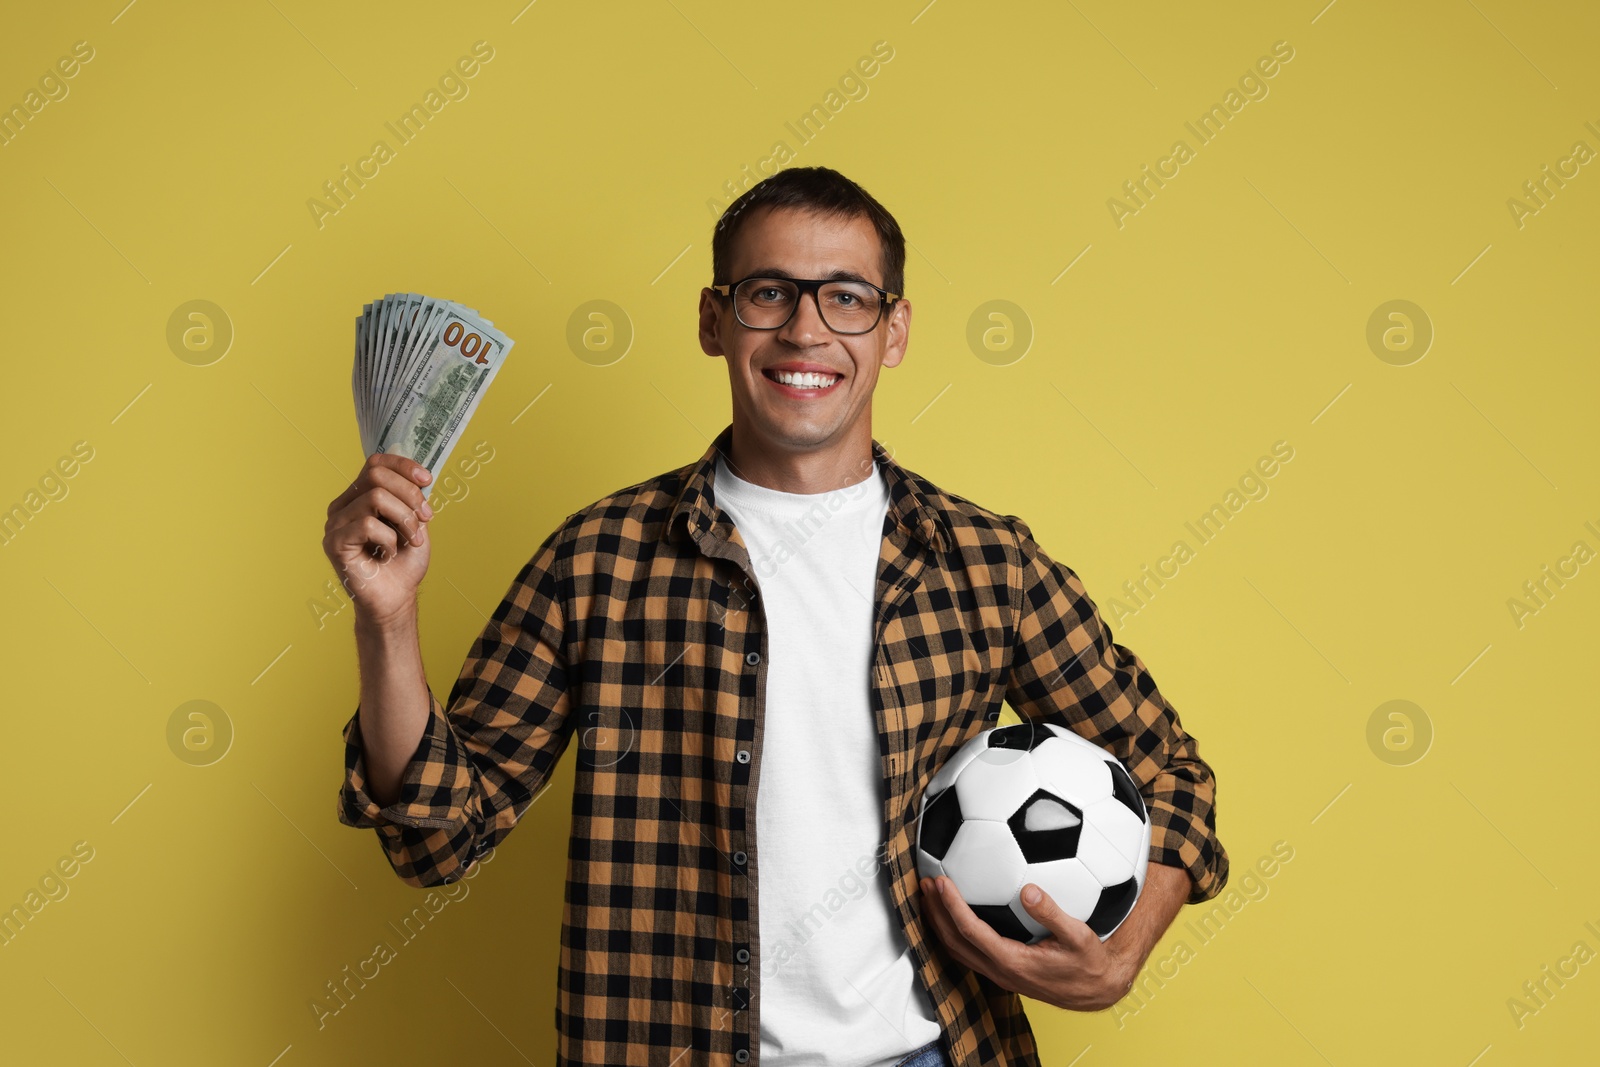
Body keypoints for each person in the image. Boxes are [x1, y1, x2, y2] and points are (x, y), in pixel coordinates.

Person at [322, 166, 1228, 1067]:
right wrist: (388, 619)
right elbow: (438, 833)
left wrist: (1122, 951)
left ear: (894, 329)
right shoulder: (596, 558)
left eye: (846, 297)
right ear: (714, 320)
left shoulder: (988, 563)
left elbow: (1172, 773)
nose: (806, 329)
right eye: (769, 293)